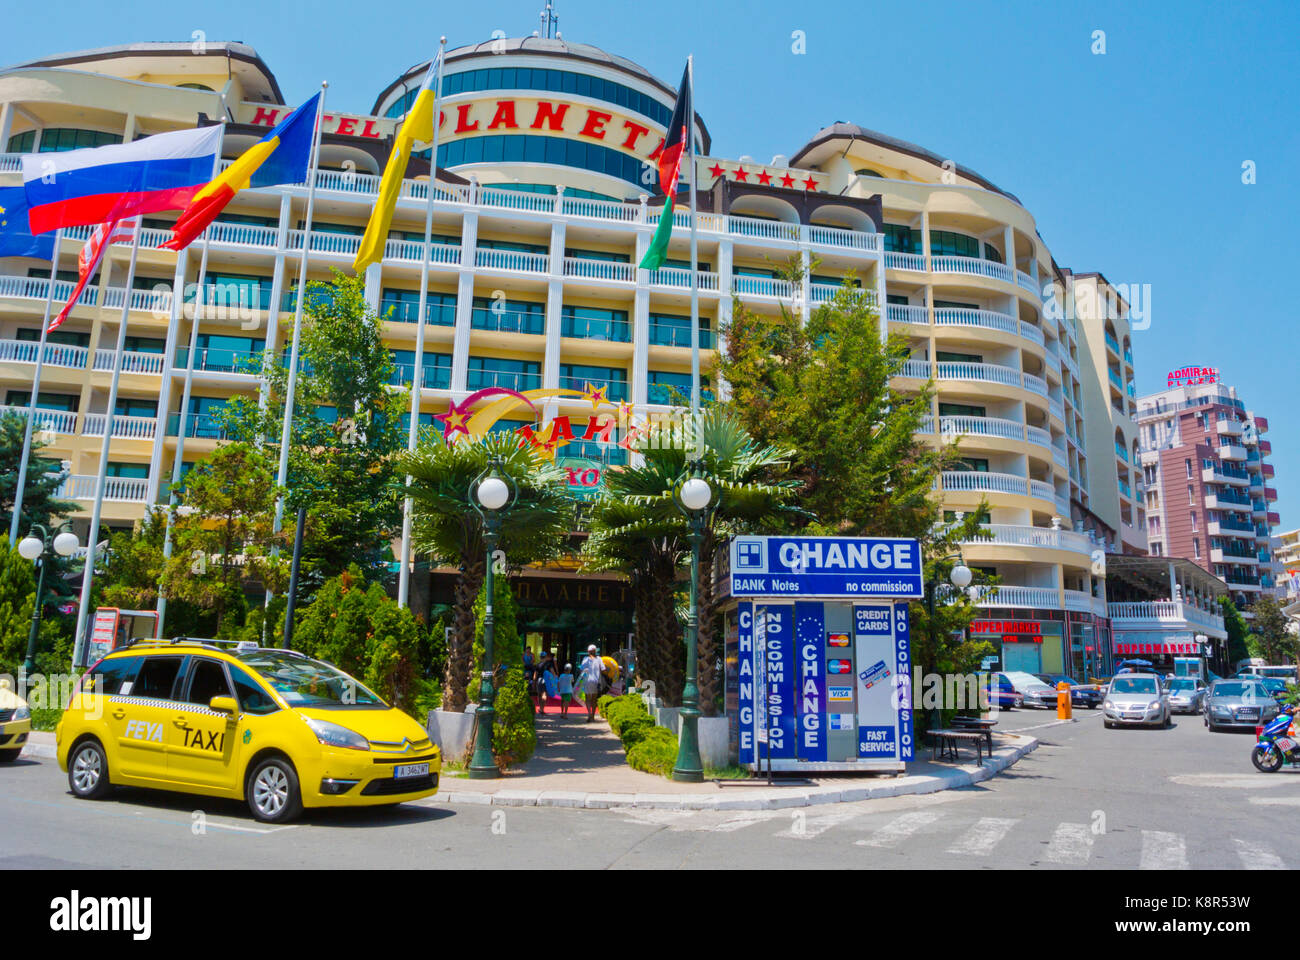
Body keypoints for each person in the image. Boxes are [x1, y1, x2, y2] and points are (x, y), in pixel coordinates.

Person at [579, 644, 604, 722]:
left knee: (587, 698)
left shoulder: (585, 659)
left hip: (587, 680)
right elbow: (603, 669)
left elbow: (581, 670)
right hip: (596, 681)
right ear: (595, 651)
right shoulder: (599, 659)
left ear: (588, 652)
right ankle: (593, 716)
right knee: (594, 699)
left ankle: (589, 714)